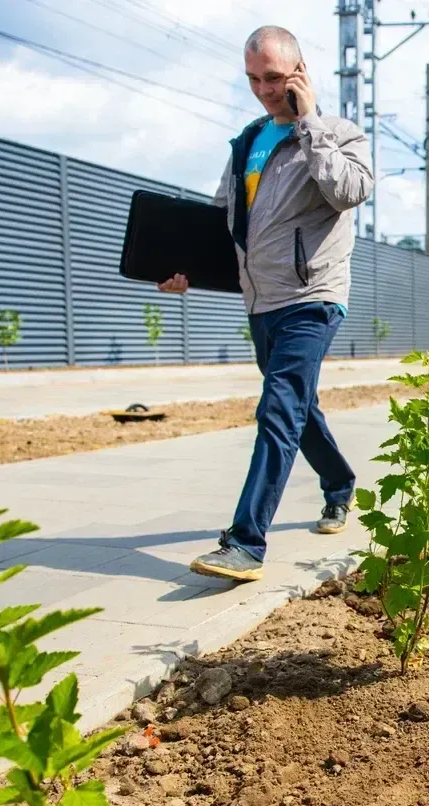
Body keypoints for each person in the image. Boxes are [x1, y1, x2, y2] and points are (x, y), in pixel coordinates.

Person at [156, 26, 374, 582]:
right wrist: (187, 271)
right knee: (298, 408)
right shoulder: (247, 141)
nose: (263, 90)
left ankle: (245, 544)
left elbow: (350, 192)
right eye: (253, 79)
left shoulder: (338, 133)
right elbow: (224, 223)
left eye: (274, 78)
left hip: (313, 296)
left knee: (278, 408)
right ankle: (340, 483)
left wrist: (310, 124)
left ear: (300, 73)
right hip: (261, 302)